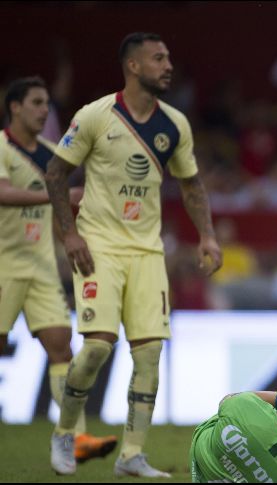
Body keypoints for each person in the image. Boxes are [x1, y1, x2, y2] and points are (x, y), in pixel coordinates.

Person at [46, 32, 223, 477]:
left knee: (148, 354)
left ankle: (131, 454)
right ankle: (65, 433)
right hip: (99, 247)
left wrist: (207, 236)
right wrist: (69, 235)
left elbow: (191, 184)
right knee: (96, 348)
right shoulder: (95, 116)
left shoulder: (174, 124)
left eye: (168, 58)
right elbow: (55, 173)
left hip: (147, 252)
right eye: (158, 58)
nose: (168, 65)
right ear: (133, 66)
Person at [0, 76, 118, 464]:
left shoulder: (53, 154)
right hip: (3, 265)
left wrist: (73, 235)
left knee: (61, 347)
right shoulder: (1, 146)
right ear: (15, 107)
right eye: (36, 102)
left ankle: (74, 437)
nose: (44, 110)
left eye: (46, 103)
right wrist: (57, 194)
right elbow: (3, 192)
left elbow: (60, 208)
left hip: (41, 267)